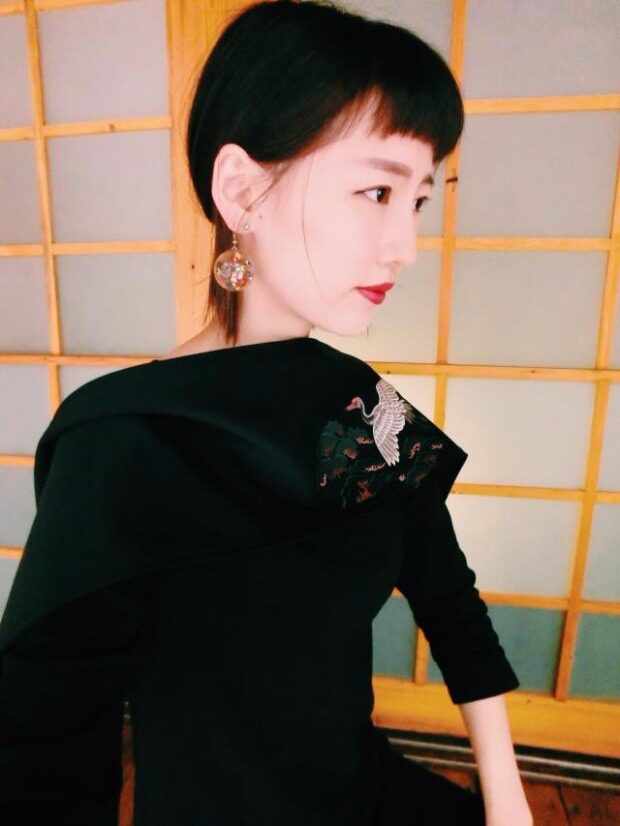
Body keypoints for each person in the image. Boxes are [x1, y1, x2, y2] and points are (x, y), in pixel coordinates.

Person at [0, 1, 533, 824]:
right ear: (242, 189)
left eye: (420, 200)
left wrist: (507, 799)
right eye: (376, 191)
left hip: (364, 796)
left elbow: (450, 600)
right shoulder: (123, 437)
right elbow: (48, 741)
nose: (405, 246)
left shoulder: (363, 409)